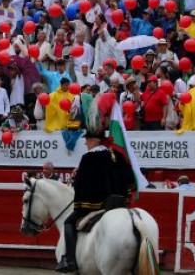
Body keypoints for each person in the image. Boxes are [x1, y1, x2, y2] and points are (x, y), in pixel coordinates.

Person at [57, 96, 137, 273]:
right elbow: (129, 180)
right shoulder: (115, 155)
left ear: (94, 140)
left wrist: (76, 185)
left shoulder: (88, 158)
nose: (85, 142)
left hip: (95, 206)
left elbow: (82, 186)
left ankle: (69, 260)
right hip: (118, 203)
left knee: (69, 223)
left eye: (87, 139)